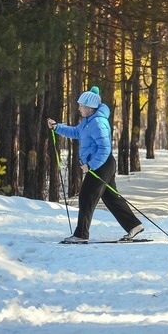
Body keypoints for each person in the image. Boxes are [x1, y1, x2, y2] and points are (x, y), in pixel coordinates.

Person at [47, 86, 144, 243]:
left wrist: (91, 165)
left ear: (90, 108)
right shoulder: (87, 121)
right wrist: (57, 127)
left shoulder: (98, 122)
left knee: (86, 196)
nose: (79, 108)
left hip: (102, 165)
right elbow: (75, 132)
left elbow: (105, 148)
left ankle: (81, 234)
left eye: (81, 106)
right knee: (111, 197)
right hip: (102, 164)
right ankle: (134, 225)